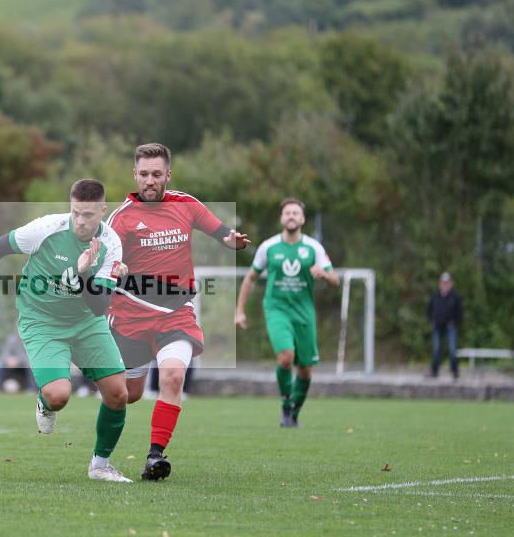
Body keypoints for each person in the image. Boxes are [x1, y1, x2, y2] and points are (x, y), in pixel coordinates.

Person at [0, 179, 132, 482]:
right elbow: (1, 246)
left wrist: (84, 274)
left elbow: (100, 307)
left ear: (103, 210)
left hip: (87, 321)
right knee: (59, 395)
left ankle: (100, 466)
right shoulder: (47, 228)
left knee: (117, 393)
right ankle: (46, 405)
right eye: (76, 213)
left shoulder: (111, 244)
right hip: (42, 321)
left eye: (88, 215)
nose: (81, 221)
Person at [106, 142, 250, 481]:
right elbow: (105, 263)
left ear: (168, 174)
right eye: (144, 174)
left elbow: (222, 234)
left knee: (172, 376)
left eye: (157, 174)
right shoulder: (122, 218)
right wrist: (116, 267)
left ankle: (155, 456)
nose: (150, 181)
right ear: (135, 175)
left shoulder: (186, 205)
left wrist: (234, 242)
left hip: (176, 314)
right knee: (128, 395)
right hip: (132, 317)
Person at [235, 197, 339, 428]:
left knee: (305, 368)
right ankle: (285, 403)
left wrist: (324, 273)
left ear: (302, 219)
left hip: (304, 312)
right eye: (287, 213)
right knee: (286, 357)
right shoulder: (268, 247)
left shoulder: (314, 248)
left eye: (295, 213)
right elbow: (250, 278)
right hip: (276, 309)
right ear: (282, 218)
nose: (291, 216)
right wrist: (239, 311)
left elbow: (335, 279)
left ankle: (294, 413)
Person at [427, 272, 463, 380]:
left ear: (450, 284)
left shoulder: (455, 296)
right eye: (443, 283)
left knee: (452, 349)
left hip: (450, 327)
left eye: (447, 283)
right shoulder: (435, 295)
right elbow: (429, 310)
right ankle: (434, 371)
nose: (445, 285)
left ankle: (454, 371)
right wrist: (432, 320)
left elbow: (460, 313)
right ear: (440, 284)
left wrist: (454, 322)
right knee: (436, 349)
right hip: (437, 326)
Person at [0, 329, 34, 393]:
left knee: (31, 366)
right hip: (11, 364)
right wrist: (8, 359)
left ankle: (32, 389)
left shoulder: (31, 340)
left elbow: (31, 356)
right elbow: (4, 353)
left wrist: (18, 360)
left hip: (25, 365)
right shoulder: (11, 339)